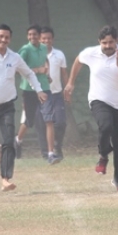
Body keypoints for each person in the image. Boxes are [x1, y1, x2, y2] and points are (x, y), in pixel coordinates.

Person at [0, 24, 45, 192]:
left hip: (7, 107)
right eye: (0, 36)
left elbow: (29, 73)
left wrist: (39, 90)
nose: (3, 40)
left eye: (7, 37)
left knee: (9, 141)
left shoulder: (15, 58)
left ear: (10, 39)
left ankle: (5, 178)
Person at [64, 25, 118, 192]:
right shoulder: (91, 53)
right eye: (104, 43)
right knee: (105, 125)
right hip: (99, 100)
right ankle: (103, 155)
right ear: (99, 42)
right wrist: (71, 83)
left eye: (111, 42)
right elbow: (78, 60)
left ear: (116, 40)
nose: (108, 46)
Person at [14, 24, 56, 162]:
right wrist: (37, 70)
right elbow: (17, 69)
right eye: (30, 34)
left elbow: (46, 60)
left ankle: (51, 154)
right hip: (29, 90)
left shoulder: (43, 48)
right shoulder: (25, 50)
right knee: (29, 121)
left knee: (49, 119)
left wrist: (47, 74)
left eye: (35, 34)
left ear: (39, 36)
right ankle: (17, 140)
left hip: (44, 88)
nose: (32, 37)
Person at [34, 26, 68, 160]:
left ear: (52, 39)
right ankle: (46, 153)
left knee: (60, 122)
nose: (46, 41)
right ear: (39, 39)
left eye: (49, 38)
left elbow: (64, 73)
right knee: (41, 124)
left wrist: (67, 89)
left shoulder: (59, 55)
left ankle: (57, 146)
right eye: (43, 39)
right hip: (39, 95)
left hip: (56, 94)